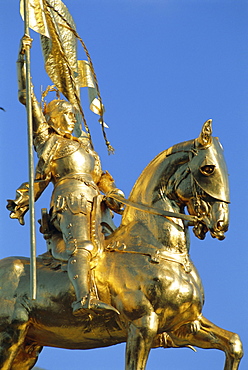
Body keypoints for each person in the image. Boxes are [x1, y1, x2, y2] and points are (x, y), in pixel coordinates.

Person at [7, 36, 124, 316]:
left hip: (98, 205)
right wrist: (23, 60)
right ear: (52, 119)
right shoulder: (49, 141)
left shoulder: (86, 147)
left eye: (73, 114)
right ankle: (84, 299)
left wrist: (115, 193)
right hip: (70, 201)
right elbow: (28, 98)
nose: (71, 117)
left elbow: (102, 177)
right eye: (65, 113)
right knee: (81, 247)